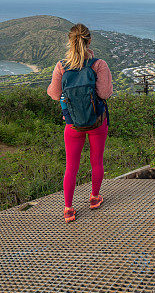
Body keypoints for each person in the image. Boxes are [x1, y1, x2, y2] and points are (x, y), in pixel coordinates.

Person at [47, 23, 112, 223]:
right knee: (96, 161)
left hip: (72, 124)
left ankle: (68, 209)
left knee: (71, 167)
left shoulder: (61, 66)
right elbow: (105, 93)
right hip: (96, 122)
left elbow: (54, 93)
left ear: (69, 41)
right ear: (89, 40)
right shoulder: (98, 65)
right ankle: (94, 198)